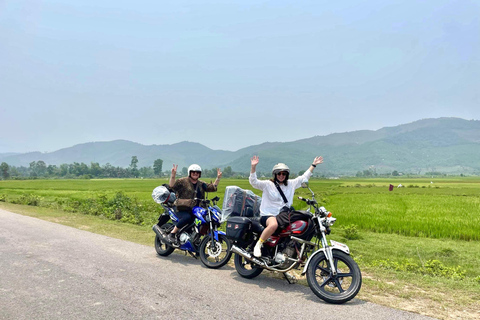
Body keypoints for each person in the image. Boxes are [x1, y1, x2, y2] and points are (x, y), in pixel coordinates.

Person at [249, 155, 323, 257]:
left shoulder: (291, 184)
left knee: (303, 223)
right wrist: (253, 167)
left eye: (284, 173)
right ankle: (258, 244)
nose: (281, 175)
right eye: (279, 173)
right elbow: (254, 182)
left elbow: (304, 177)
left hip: (283, 215)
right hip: (269, 215)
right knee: (273, 225)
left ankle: (292, 250)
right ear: (275, 174)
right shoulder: (267, 184)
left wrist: (313, 165)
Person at [167, 164, 222, 246]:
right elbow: (171, 186)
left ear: (199, 174)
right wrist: (173, 175)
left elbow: (212, 188)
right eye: (193, 172)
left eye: (197, 172)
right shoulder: (182, 181)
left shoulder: (201, 184)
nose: (195, 173)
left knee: (203, 221)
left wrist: (218, 178)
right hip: (181, 208)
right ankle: (172, 233)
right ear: (190, 172)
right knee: (187, 218)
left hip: (196, 209)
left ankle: (195, 239)